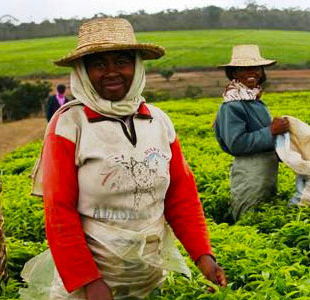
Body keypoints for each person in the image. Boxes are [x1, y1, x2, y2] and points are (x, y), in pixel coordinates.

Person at [28, 18, 226, 299]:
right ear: (83, 72)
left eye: (121, 61)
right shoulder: (70, 124)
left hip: (150, 274)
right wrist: (88, 280)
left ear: (136, 66)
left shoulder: (158, 121)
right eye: (99, 65)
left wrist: (203, 254)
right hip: (94, 282)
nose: (111, 72)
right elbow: (59, 210)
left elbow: (181, 195)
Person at [213, 44, 288, 221]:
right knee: (248, 217)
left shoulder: (253, 100)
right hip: (250, 174)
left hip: (266, 171)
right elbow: (237, 143)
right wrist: (271, 131)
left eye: (255, 68)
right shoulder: (232, 105)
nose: (252, 72)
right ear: (234, 73)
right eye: (244, 69)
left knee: (265, 217)